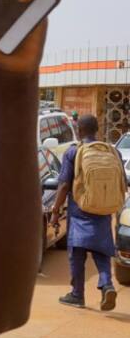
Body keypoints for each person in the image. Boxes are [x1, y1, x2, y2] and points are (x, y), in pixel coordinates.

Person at [51, 114, 123, 310]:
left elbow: (64, 184)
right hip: (103, 211)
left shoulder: (73, 152)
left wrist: (56, 211)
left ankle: (77, 295)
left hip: (80, 212)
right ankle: (107, 285)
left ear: (79, 130)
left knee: (77, 253)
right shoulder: (112, 152)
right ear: (97, 129)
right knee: (102, 252)